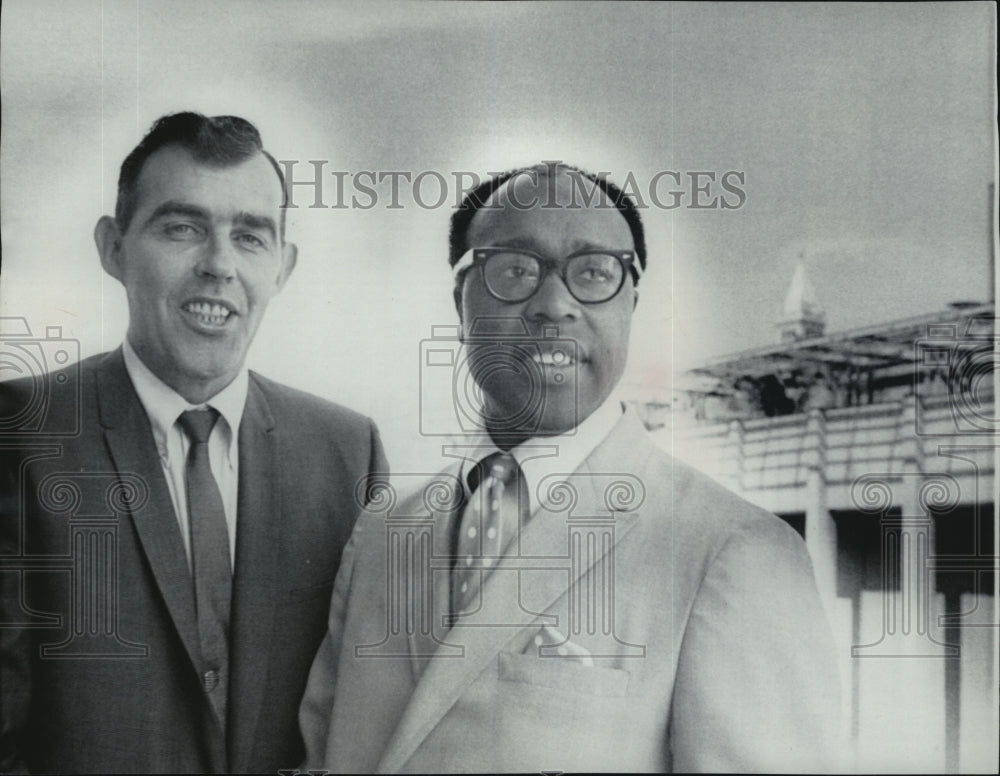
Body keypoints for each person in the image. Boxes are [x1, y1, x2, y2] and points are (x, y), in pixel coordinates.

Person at [298, 162, 842, 773]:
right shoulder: (381, 534)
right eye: (514, 270)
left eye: (593, 274)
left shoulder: (733, 551)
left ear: (630, 304)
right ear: (461, 302)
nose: (554, 305)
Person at [0, 112, 387, 774]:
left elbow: (359, 719)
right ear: (113, 248)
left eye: (251, 237)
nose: (219, 265)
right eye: (182, 228)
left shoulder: (347, 450)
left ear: (284, 267)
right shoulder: (21, 431)